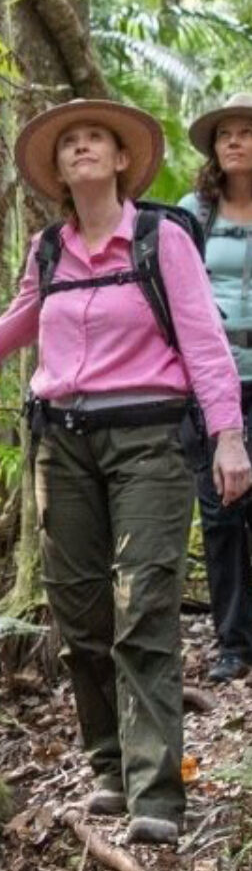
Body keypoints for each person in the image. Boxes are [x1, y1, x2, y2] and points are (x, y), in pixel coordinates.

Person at [0, 99, 250, 848]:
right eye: (69, 144)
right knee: (78, 610)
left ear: (123, 159)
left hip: (150, 443)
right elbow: (21, 318)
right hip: (62, 444)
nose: (83, 149)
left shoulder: (162, 239)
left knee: (146, 605)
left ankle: (156, 788)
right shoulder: (47, 250)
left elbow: (203, 342)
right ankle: (108, 766)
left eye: (96, 139)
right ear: (58, 170)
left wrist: (229, 437)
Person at [180, 93, 252, 681]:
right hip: (212, 380)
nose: (233, 141)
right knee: (222, 509)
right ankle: (233, 641)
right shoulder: (192, 214)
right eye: (224, 133)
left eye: (246, 132)